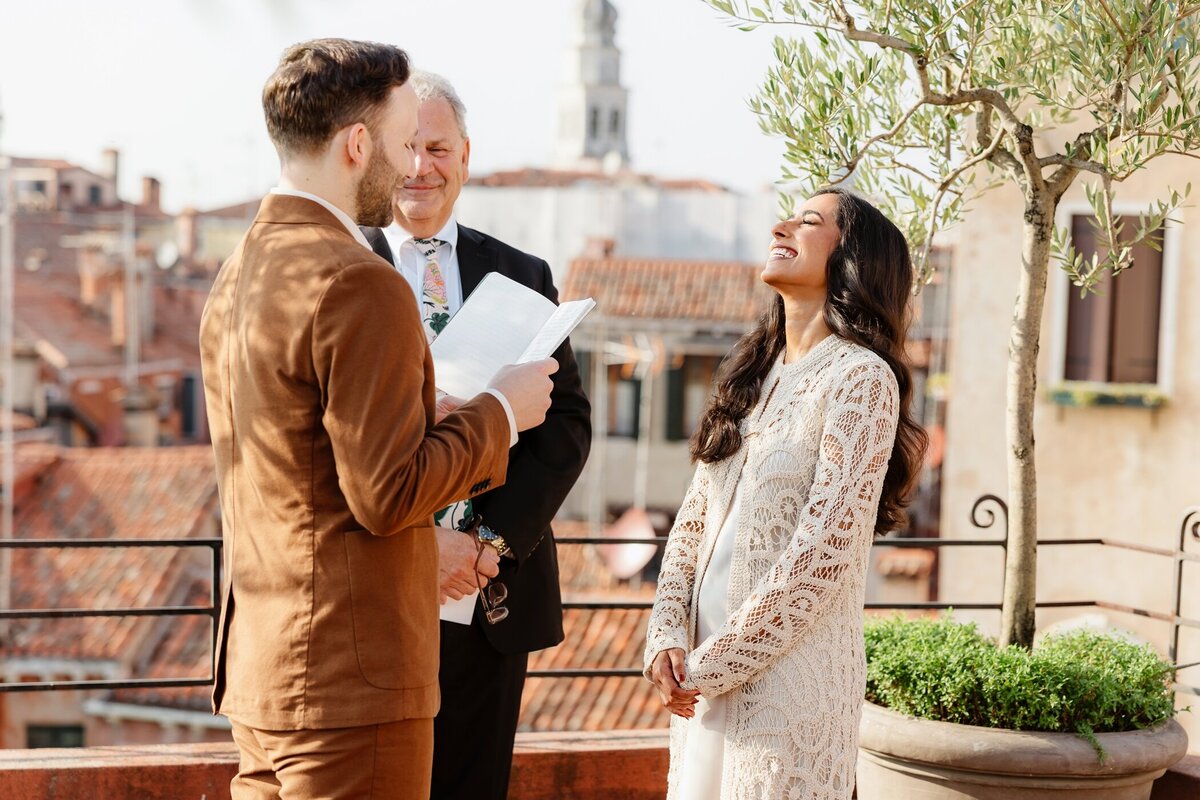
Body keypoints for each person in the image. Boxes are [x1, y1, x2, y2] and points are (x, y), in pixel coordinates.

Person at [199, 40, 558, 800]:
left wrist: (419, 409)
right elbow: (388, 493)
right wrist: (500, 410)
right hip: (350, 681)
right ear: (358, 145)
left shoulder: (244, 270)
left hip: (264, 669)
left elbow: (296, 447)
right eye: (401, 144)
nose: (408, 170)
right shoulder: (361, 280)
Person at [643, 188, 928, 800]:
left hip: (788, 693)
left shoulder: (860, 378)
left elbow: (821, 558)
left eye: (808, 221)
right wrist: (667, 634)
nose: (781, 226)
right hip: (700, 688)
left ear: (851, 256)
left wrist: (709, 666)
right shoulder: (754, 371)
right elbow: (693, 519)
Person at [361, 70, 592, 800]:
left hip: (488, 595)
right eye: (407, 147)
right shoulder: (341, 269)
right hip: (374, 587)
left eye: (438, 147)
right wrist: (416, 551)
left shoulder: (524, 273)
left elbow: (565, 429)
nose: (421, 166)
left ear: (465, 155)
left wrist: (486, 549)